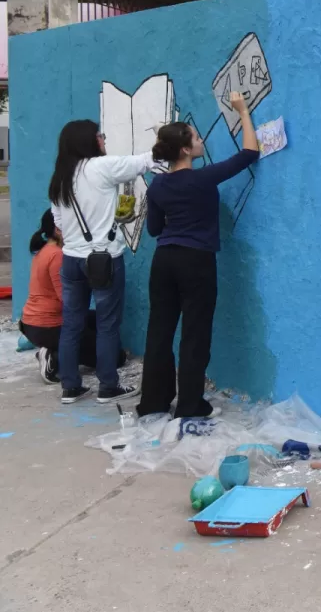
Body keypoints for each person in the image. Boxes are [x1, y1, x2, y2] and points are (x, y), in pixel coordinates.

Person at [137, 91, 260, 419]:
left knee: (159, 330)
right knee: (194, 332)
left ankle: (154, 401)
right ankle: (190, 404)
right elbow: (250, 152)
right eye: (195, 137)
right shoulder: (204, 178)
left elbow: (153, 230)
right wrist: (243, 110)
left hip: (164, 262)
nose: (201, 137)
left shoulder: (157, 186)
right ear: (184, 149)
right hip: (196, 262)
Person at [49, 120, 156, 404]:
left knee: (72, 324)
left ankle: (70, 387)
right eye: (101, 135)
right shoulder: (101, 167)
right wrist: (162, 134)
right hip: (104, 260)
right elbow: (145, 161)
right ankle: (108, 386)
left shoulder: (60, 177)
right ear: (90, 140)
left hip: (71, 259)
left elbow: (58, 222)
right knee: (108, 324)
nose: (103, 139)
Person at [19, 209, 127, 384]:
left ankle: (57, 348)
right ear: (58, 229)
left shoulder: (47, 249)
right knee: (116, 358)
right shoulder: (58, 255)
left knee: (97, 319)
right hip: (48, 325)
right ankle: (54, 357)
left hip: (33, 323)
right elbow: (67, 298)